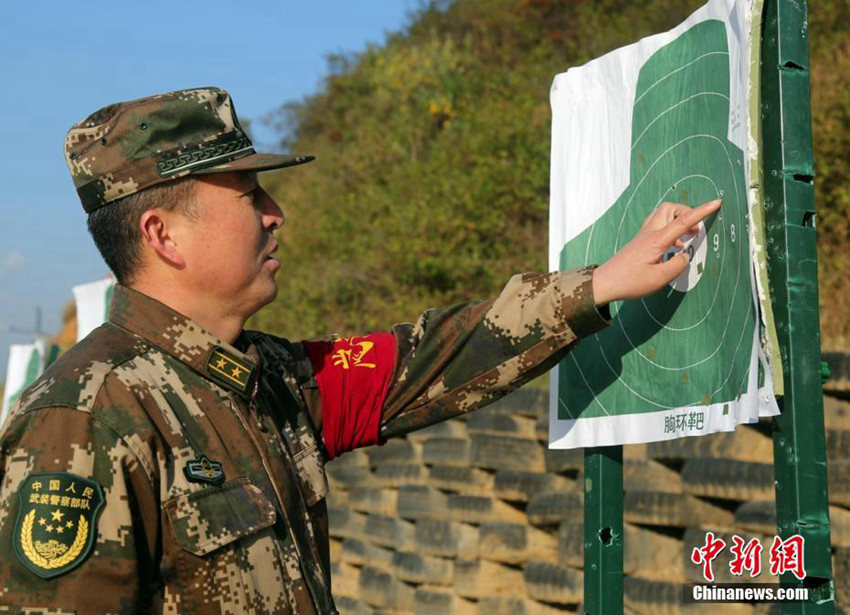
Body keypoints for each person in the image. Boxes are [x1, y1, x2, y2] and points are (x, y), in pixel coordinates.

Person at [0, 87, 719, 614]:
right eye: (251, 196)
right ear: (164, 235)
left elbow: (432, 356)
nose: (276, 215)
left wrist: (601, 285)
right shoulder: (85, 414)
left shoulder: (271, 380)